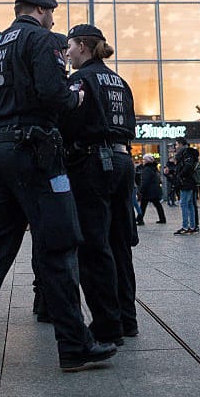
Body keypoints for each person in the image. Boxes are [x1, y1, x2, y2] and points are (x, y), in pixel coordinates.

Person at [0, 0, 116, 371]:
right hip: (37, 153)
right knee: (59, 246)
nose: (54, 21)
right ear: (40, 9)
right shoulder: (42, 39)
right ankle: (73, 345)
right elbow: (52, 92)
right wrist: (74, 100)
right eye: (52, 13)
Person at [61, 23, 139, 346]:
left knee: (94, 245)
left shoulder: (81, 80)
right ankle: (127, 318)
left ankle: (107, 324)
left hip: (93, 162)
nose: (67, 53)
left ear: (82, 46)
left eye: (70, 47)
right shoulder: (120, 82)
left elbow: (69, 123)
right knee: (120, 241)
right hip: (123, 161)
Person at [173, 137, 200, 235]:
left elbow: (188, 166)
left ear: (181, 144)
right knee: (189, 204)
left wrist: (180, 175)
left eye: (176, 144)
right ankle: (192, 226)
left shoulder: (186, 153)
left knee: (184, 204)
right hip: (187, 182)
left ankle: (186, 226)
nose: (175, 147)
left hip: (186, 182)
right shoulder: (185, 153)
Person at [136, 155, 165, 224]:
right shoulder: (154, 168)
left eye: (144, 159)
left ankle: (140, 219)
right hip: (154, 190)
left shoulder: (147, 169)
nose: (143, 161)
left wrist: (141, 190)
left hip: (148, 191)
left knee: (143, 205)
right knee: (157, 205)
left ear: (147, 160)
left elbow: (145, 181)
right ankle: (162, 218)